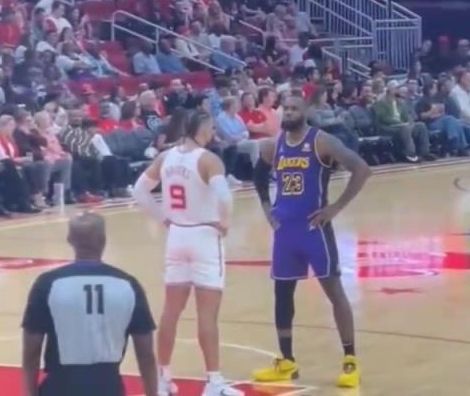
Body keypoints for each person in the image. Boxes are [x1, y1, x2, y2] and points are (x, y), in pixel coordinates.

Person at [251, 94, 371, 388]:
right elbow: (259, 176)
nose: (289, 112)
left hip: (314, 231)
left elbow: (362, 169)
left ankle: (350, 360)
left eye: (295, 108)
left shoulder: (321, 141)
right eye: (286, 108)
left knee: (335, 292)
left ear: (305, 112)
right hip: (285, 233)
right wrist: (267, 208)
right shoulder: (274, 145)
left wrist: (335, 208)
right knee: (282, 295)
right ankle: (287, 361)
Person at [132, 111, 244, 396]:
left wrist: (163, 218)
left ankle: (162, 378)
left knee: (171, 312)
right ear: (202, 129)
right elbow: (225, 196)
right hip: (204, 236)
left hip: (177, 235)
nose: (213, 132)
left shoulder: (165, 157)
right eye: (211, 128)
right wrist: (225, 221)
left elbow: (139, 191)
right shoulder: (208, 160)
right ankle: (214, 382)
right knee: (207, 315)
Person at [22, 213, 158, 396]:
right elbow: (146, 354)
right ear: (103, 240)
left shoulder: (47, 283)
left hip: (60, 388)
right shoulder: (128, 284)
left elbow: (31, 352)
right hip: (109, 387)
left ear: (70, 239)